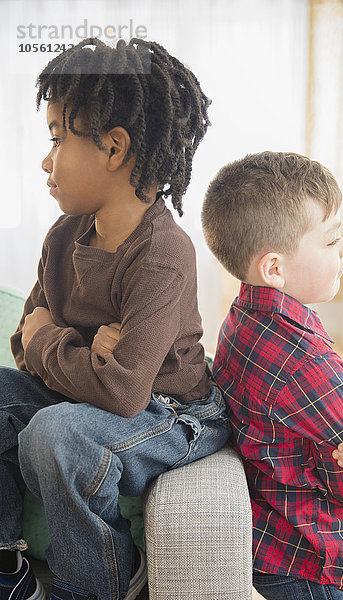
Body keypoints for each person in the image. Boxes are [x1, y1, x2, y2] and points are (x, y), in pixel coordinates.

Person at [0, 38, 231, 600]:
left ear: (115, 147)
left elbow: (126, 391)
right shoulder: (63, 236)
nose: (45, 159)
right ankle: (9, 561)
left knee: (55, 435)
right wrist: (80, 352)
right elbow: (21, 343)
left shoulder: (161, 251)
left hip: (172, 411)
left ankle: (97, 580)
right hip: (93, 396)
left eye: (57, 138)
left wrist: (53, 338)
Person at [201, 151, 343, 600]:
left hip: (269, 539)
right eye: (331, 240)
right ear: (275, 267)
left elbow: (325, 412)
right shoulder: (302, 360)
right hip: (310, 562)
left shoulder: (245, 313)